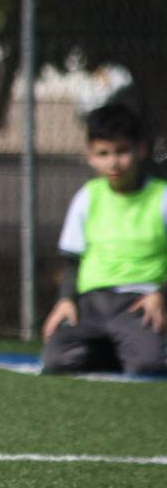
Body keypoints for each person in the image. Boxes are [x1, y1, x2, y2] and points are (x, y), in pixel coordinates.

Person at [41, 103, 166, 376]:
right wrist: (65, 300)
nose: (113, 162)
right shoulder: (87, 197)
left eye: (122, 151)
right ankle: (114, 348)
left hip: (139, 304)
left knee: (149, 366)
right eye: (103, 153)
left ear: (141, 149)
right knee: (56, 362)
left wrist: (161, 295)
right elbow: (72, 260)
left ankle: (132, 346)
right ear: (91, 156)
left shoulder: (162, 197)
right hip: (92, 306)